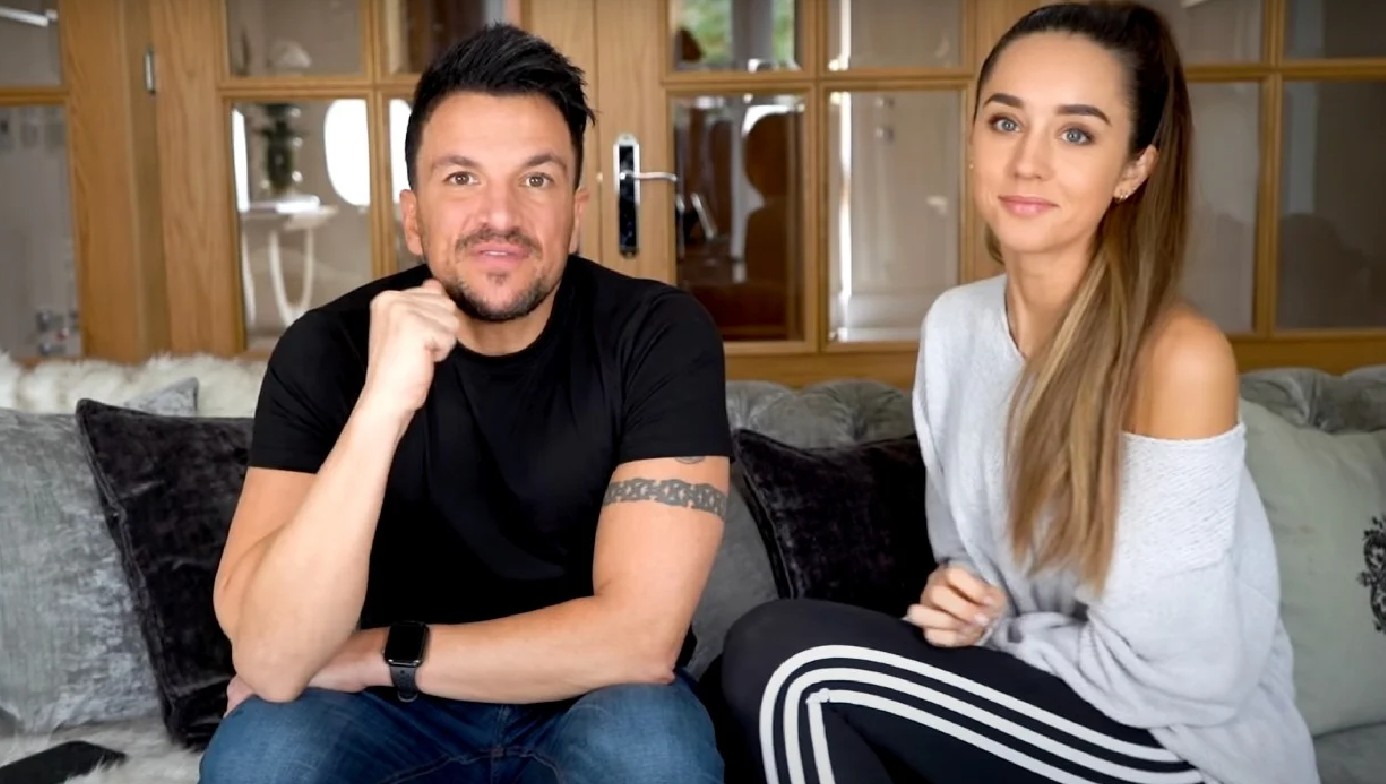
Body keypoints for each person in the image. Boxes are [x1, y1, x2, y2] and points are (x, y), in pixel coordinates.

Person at [717, 3, 1320, 783]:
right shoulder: (956, 329)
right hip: (1051, 705)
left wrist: (999, 635)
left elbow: (1183, 678)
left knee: (789, 664)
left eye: (1077, 134)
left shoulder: (1176, 358)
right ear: (973, 140)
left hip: (1184, 748)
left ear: (1134, 169)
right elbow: (973, 570)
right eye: (1006, 123)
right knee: (749, 678)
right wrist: (961, 602)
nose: (1028, 162)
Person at [200, 22, 731, 784]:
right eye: (461, 179)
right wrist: (382, 405)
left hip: (590, 692)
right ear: (413, 217)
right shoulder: (326, 348)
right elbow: (274, 656)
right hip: (381, 718)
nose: (500, 216)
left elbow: (640, 640)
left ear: (576, 212)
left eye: (536, 180)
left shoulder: (659, 335)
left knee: (655, 759)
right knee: (259, 762)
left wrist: (375, 656)